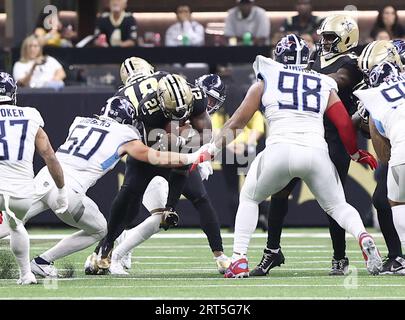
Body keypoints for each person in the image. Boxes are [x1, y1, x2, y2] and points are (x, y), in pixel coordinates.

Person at [196, 34, 382, 278]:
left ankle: (239, 259)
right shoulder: (321, 82)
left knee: (250, 198)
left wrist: (209, 150)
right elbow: (345, 124)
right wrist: (355, 152)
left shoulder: (267, 78)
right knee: (338, 206)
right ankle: (363, 236)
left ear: (278, 56)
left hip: (279, 150)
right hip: (316, 153)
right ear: (307, 59)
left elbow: (237, 122)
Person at [0, 95, 205, 277]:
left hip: (46, 177)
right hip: (70, 189)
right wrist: (191, 156)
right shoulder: (124, 134)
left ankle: (36, 265)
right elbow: (155, 156)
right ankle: (42, 262)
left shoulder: (79, 122)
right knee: (100, 230)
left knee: (12, 222)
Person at [250, 15, 366, 277]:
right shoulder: (314, 57)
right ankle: (272, 251)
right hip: (305, 131)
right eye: (323, 36)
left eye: (330, 38)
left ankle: (339, 257)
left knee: (333, 201)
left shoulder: (351, 62)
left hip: (335, 137)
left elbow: (337, 81)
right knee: (279, 192)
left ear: (346, 39)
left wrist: (296, 74)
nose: (323, 42)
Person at [106, 73, 230, 275]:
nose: (208, 104)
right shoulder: (149, 109)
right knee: (129, 200)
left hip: (178, 155)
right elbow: (161, 149)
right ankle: (104, 250)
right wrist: (185, 145)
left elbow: (200, 141)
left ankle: (220, 256)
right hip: (149, 154)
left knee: (200, 199)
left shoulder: (196, 99)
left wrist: (198, 155)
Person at [0, 72, 68, 284]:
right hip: (22, 193)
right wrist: (62, 190)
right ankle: (26, 274)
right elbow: (50, 157)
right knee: (16, 225)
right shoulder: (30, 115)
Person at [354, 41, 405, 274]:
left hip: (397, 145)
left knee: (392, 199)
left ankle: (399, 256)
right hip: (395, 139)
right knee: (381, 198)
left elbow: (383, 155)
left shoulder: (376, 95)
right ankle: (396, 255)